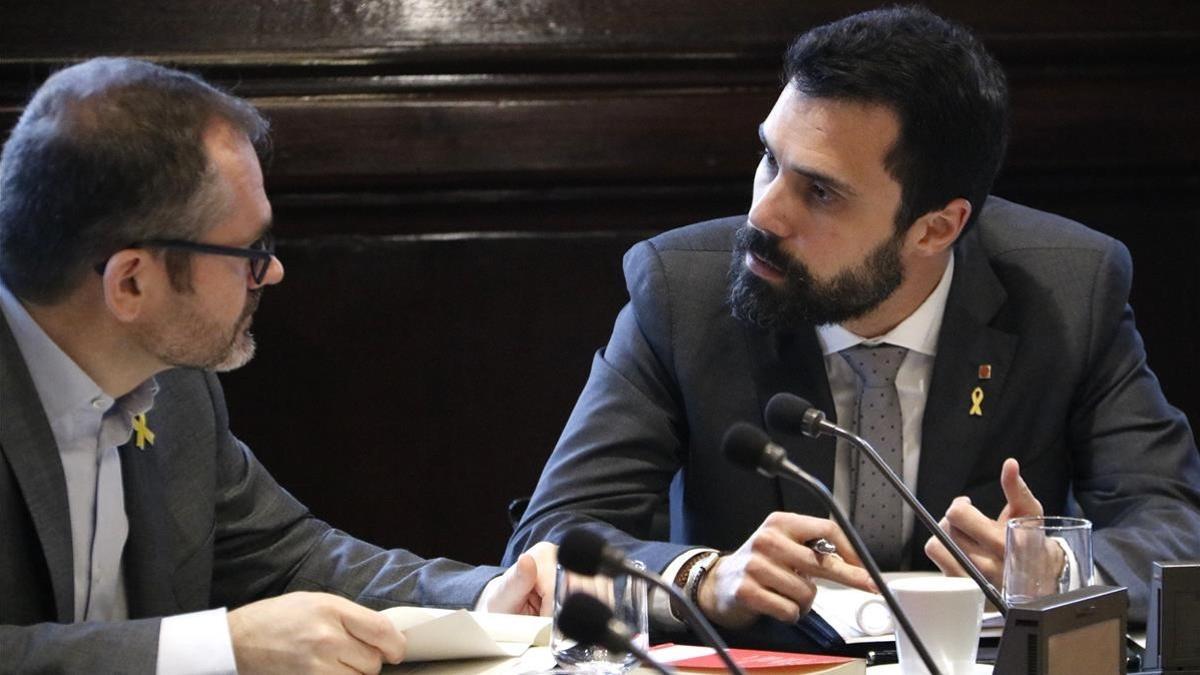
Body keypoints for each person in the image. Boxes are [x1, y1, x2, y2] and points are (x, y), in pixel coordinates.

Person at [505, 5, 1200, 642]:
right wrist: (700, 578)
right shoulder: (680, 290)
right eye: (769, 159)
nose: (763, 216)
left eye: (820, 191)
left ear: (936, 228)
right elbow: (550, 538)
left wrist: (1053, 566)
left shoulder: (1070, 289)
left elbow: (1178, 533)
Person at [0, 57, 556, 674]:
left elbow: (285, 554)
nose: (273, 271)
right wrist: (223, 648)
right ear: (131, 282)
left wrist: (482, 600)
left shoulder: (174, 380)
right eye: (250, 251)